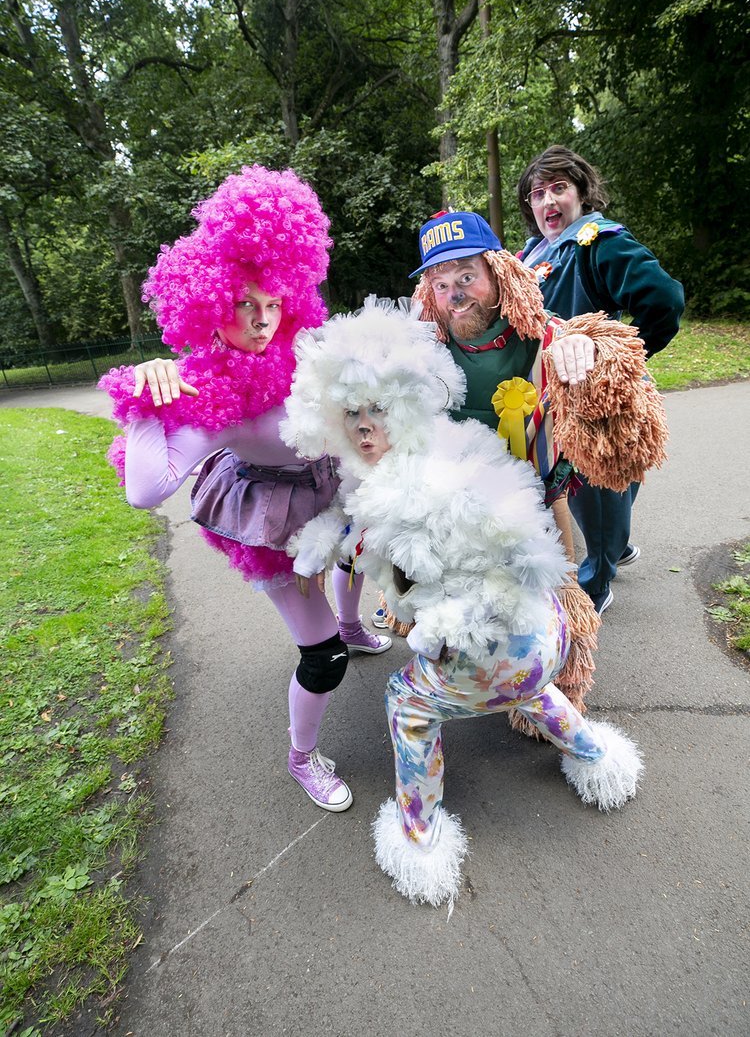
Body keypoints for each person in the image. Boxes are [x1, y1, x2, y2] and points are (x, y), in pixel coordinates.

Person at [282, 299, 643, 908]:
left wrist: (432, 614)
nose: (365, 427)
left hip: (500, 633)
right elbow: (360, 525)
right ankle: (598, 757)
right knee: (524, 678)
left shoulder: (425, 481)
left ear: (408, 407)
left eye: (379, 410)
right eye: (352, 414)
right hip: (538, 643)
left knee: (409, 705)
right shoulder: (433, 454)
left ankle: (419, 840)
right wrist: (322, 547)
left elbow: (505, 553)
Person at [99, 165, 390, 815]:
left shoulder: (301, 345)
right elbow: (147, 491)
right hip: (270, 517)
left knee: (354, 554)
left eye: (272, 301)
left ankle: (352, 619)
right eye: (242, 305)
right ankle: (302, 757)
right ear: (209, 300)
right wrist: (148, 402)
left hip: (327, 486)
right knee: (324, 657)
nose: (262, 321)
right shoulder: (210, 393)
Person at [517, 145, 685, 613]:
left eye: (559, 188)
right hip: (548, 392)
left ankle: (597, 578)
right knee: (586, 479)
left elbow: (664, 301)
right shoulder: (531, 251)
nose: (548, 201)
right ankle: (617, 542)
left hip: (593, 392)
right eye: (537, 193)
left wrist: (619, 356)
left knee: (599, 481)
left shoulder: (601, 240)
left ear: (581, 192)